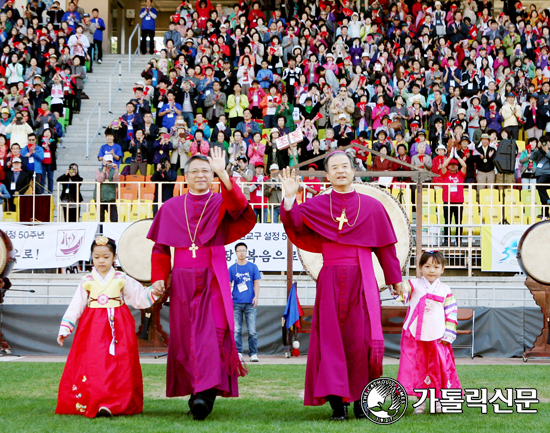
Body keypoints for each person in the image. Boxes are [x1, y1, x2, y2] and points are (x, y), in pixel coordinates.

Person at [278, 152, 404, 420]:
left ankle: (361, 400)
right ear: (327, 175)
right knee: (331, 341)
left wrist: (395, 280)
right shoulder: (318, 204)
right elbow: (295, 223)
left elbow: (385, 249)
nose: (340, 171)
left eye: (345, 166)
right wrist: (290, 198)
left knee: (362, 342)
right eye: (334, 168)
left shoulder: (372, 207)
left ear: (353, 170)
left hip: (363, 280)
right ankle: (338, 403)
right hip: (330, 280)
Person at [146, 148, 256, 420]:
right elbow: (160, 249)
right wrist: (159, 277)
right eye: (194, 171)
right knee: (186, 337)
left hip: (213, 276)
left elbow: (239, 207)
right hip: (182, 278)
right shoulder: (171, 207)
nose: (200, 176)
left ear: (212, 176)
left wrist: (223, 174)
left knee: (212, 333)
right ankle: (196, 390)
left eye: (206, 171)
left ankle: (205, 394)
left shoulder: (220, 201)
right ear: (185, 177)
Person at [56, 236, 162, 417]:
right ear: (91, 257)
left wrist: (154, 290)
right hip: (92, 326)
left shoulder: (121, 278)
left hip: (118, 324)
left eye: (106, 256)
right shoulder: (87, 280)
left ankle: (113, 402)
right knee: (95, 362)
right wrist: (65, 328)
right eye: (96, 257)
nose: (101, 261)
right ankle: (97, 400)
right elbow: (76, 305)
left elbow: (139, 297)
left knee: (119, 362)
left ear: (114, 257)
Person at [393, 251, 460, 414]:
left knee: (438, 366)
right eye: (427, 266)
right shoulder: (413, 284)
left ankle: (437, 400)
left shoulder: (445, 289)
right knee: (416, 367)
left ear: (442, 269)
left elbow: (451, 311)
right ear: (420, 268)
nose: (432, 270)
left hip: (437, 335)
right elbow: (402, 295)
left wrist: (449, 333)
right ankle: (420, 401)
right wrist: (397, 286)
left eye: (436, 267)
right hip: (414, 336)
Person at [228, 242, 261, 362]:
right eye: (239, 250)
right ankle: (238, 352)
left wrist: (256, 297)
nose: (242, 252)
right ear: (236, 253)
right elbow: (228, 284)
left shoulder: (253, 267)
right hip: (236, 302)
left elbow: (256, 282)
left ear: (246, 252)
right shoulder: (232, 268)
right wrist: (228, 299)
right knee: (237, 330)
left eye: (244, 250)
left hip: (250, 303)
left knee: (252, 330)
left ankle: (253, 353)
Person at [440, 149, 467, 246]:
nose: (452, 166)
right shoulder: (446, 174)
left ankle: (458, 240)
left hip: (458, 201)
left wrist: (458, 157)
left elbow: (464, 166)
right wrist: (450, 157)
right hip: (447, 201)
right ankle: (447, 240)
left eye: (455, 165)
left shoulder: (460, 174)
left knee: (458, 222)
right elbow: (443, 166)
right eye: (451, 165)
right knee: (447, 222)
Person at [94, 155, 119, 222]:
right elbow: (99, 180)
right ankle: (101, 232)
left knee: (114, 218)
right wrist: (104, 170)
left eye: (110, 161)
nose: (108, 163)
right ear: (103, 162)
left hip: (111, 198)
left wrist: (116, 170)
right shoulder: (98, 170)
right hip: (100, 198)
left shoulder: (113, 171)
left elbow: (116, 181)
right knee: (101, 219)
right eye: (107, 161)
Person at [530, 136, 550, 218]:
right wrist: (537, 148)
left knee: (539, 184)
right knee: (541, 193)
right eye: (543, 142)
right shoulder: (539, 151)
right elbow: (532, 158)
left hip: (547, 173)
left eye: (546, 142)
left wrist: (547, 151)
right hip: (539, 173)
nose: (545, 144)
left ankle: (547, 200)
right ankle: (545, 213)